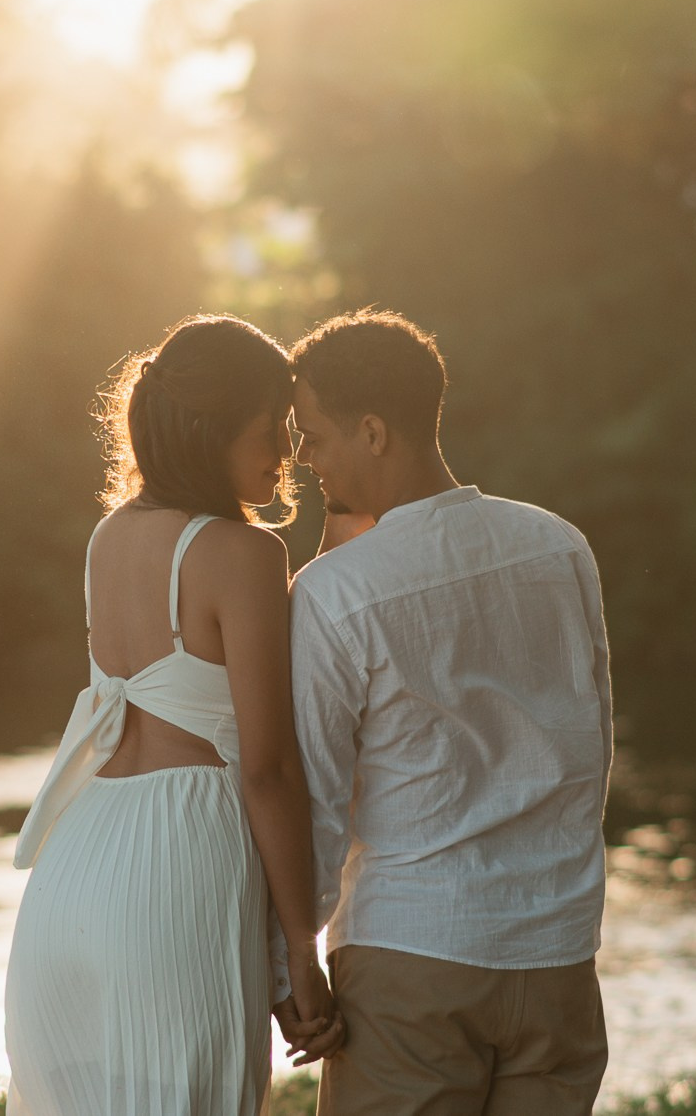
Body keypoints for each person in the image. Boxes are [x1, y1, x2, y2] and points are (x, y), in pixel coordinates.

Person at [5, 314, 342, 1116]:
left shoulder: (108, 537)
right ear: (213, 430)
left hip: (77, 865)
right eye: (272, 429)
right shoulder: (245, 554)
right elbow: (266, 767)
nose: (287, 453)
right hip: (179, 862)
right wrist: (301, 950)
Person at [286, 309, 614, 1116]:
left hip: (413, 953)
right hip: (557, 957)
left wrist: (291, 956)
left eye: (314, 435)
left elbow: (317, 800)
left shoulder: (336, 591)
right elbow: (591, 744)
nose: (303, 459)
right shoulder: (560, 545)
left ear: (372, 432)